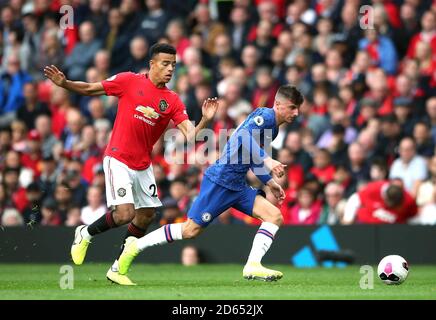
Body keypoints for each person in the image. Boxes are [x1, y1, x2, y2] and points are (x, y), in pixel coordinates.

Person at [43, 43, 218, 285]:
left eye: (174, 65)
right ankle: (84, 233)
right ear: (152, 64)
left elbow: (191, 135)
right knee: (125, 213)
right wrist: (66, 84)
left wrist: (206, 121)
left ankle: (117, 267)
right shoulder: (128, 81)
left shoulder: (172, 100)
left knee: (146, 215)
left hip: (143, 164)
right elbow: (92, 89)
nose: (170, 69)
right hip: (118, 157)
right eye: (165, 64)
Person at [117, 85, 304, 282]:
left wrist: (270, 182)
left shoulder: (272, 127)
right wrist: (268, 160)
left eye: (298, 108)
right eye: (292, 107)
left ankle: (253, 265)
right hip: (221, 181)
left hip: (237, 184)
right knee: (190, 230)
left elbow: (250, 154)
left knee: (274, 216)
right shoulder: (265, 117)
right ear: (277, 104)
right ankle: (135, 246)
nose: (296, 112)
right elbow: (241, 136)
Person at [342, 180, 418, 224]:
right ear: (385, 198)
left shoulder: (409, 201)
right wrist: (348, 219)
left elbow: (414, 218)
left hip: (394, 232)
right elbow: (355, 199)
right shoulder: (374, 189)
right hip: (365, 226)